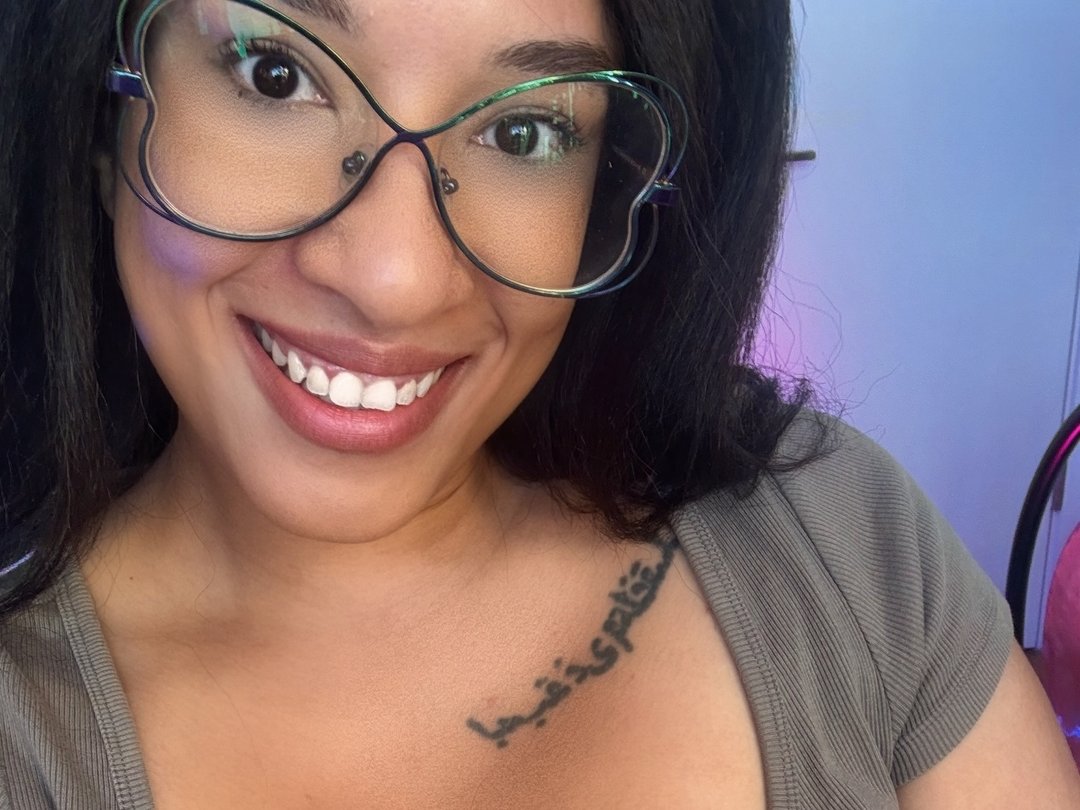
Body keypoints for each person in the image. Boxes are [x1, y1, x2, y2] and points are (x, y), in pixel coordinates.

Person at [1, 0, 1077, 807]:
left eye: (526, 133)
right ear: (101, 109)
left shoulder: (837, 539)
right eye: (275, 74)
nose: (395, 278)